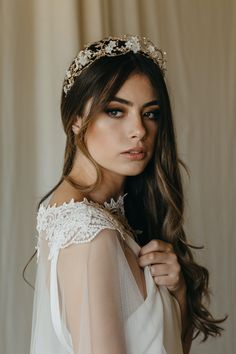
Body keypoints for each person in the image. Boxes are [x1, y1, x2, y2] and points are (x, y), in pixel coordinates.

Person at [25, 35, 226, 354]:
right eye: (116, 111)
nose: (139, 131)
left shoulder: (111, 215)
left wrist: (179, 294)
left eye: (151, 113)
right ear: (76, 119)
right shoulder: (90, 235)